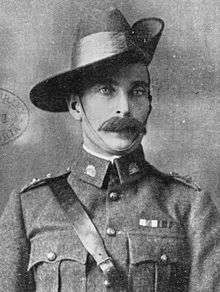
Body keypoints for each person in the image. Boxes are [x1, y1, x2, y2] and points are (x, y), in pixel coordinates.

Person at [0, 7, 219, 292]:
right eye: (106, 89)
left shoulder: (189, 206)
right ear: (76, 106)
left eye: (137, 91)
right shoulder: (29, 208)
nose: (125, 108)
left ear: (150, 103)